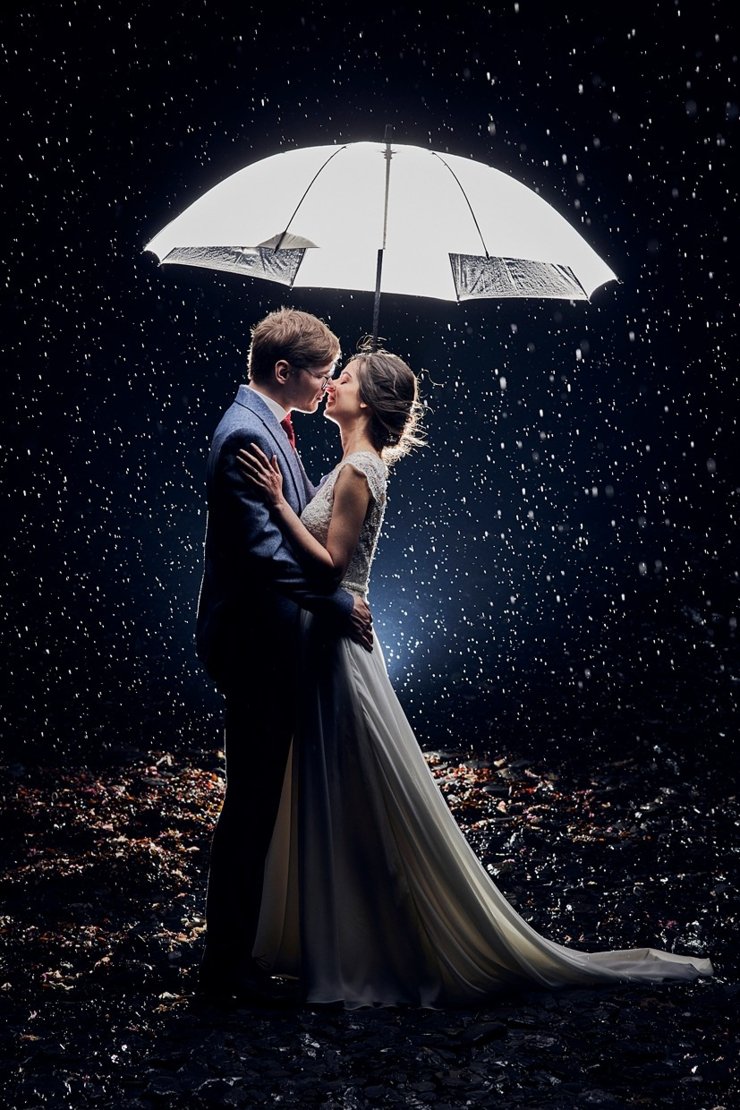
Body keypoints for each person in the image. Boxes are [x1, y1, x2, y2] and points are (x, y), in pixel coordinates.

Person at [237, 343, 713, 1008]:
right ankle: (347, 935)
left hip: (337, 647)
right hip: (331, 642)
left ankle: (366, 950)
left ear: (366, 402)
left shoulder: (356, 470)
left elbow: (327, 568)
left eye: (343, 377)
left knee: (353, 796)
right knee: (343, 794)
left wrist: (277, 502)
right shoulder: (355, 464)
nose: (333, 382)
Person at [195, 307, 373, 1003]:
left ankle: (240, 952)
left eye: (335, 375)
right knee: (251, 803)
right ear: (282, 372)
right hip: (255, 645)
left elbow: (292, 522)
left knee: (261, 797)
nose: (328, 385)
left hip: (275, 643)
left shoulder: (273, 425)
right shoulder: (246, 433)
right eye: (322, 374)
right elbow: (265, 554)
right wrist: (336, 604)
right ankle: (225, 966)